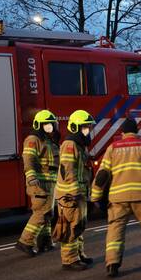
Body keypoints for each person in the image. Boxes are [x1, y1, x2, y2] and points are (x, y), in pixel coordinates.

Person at [91, 118, 141, 277]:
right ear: (137, 131)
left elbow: (102, 174)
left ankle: (112, 264)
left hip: (118, 198)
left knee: (115, 231)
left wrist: (95, 195)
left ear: (122, 132)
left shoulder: (112, 148)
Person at [53, 110, 95, 271]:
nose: (87, 130)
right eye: (85, 127)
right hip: (70, 194)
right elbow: (68, 170)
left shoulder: (78, 144)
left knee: (78, 225)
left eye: (88, 127)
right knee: (70, 226)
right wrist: (75, 192)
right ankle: (69, 259)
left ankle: (79, 254)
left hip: (78, 193)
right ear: (76, 127)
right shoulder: (70, 145)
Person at [15, 110, 61, 257]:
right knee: (41, 212)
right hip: (40, 183)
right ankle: (25, 242)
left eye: (51, 124)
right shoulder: (32, 140)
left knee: (48, 213)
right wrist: (32, 178)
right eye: (46, 124)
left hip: (50, 183)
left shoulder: (48, 141)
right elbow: (29, 159)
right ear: (39, 125)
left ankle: (45, 242)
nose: (50, 126)